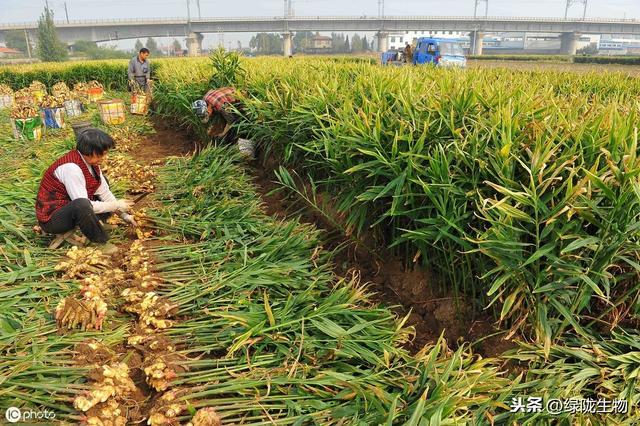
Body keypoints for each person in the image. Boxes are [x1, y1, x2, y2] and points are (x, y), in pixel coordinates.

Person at [35, 128, 137, 253]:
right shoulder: (71, 169)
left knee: (100, 181)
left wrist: (124, 215)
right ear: (90, 151)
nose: (105, 157)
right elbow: (85, 205)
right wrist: (116, 204)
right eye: (101, 153)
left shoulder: (92, 164)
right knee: (82, 204)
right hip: (53, 218)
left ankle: (98, 223)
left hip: (68, 207)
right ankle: (100, 242)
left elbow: (104, 193)